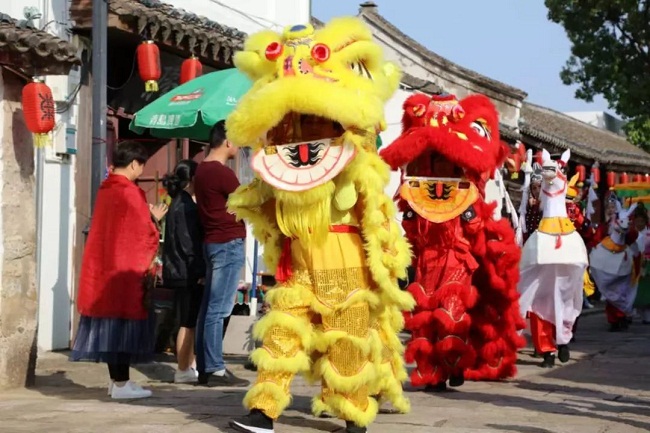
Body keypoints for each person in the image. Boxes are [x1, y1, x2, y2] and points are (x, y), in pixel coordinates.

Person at [71, 141, 168, 399]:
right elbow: (143, 232)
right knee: (123, 328)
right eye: (141, 165)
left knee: (111, 328)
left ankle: (116, 382)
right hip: (124, 269)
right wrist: (155, 219)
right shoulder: (130, 192)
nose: (141, 170)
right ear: (134, 164)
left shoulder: (106, 189)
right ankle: (122, 384)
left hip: (103, 268)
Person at [193, 120, 248, 386]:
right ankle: (214, 368)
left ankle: (205, 366)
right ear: (227, 142)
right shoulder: (221, 172)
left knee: (208, 308)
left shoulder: (201, 170)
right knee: (218, 309)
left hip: (213, 242)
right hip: (227, 242)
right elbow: (246, 200)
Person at [162, 160, 205, 383]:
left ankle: (187, 366)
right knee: (188, 322)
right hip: (186, 271)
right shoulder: (186, 206)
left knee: (187, 320)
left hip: (178, 269)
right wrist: (200, 270)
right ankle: (183, 368)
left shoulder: (177, 202)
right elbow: (189, 244)